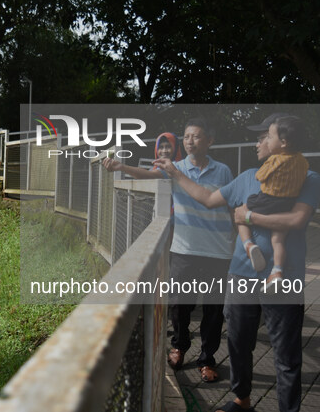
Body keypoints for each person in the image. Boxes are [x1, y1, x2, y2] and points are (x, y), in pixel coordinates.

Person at [154, 114, 320, 412]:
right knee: (239, 342)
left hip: (284, 277)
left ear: (283, 143)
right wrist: (177, 174)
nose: (258, 141)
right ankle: (242, 400)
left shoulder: (308, 177)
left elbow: (297, 220)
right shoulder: (248, 177)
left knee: (286, 354)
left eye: (263, 136)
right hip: (241, 273)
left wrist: (250, 217)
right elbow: (207, 198)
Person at [104, 119, 235, 383]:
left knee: (212, 310)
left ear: (209, 141)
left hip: (217, 252)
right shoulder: (174, 168)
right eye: (186, 136)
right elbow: (149, 174)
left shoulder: (223, 172)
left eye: (195, 137)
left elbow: (230, 205)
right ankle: (179, 346)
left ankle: (208, 359)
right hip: (184, 249)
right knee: (178, 304)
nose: (189, 141)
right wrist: (120, 166)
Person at [237, 116, 308, 293]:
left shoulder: (276, 159)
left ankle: (248, 245)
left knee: (242, 210)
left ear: (283, 142)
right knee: (278, 240)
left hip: (270, 199)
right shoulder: (302, 160)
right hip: (288, 203)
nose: (266, 141)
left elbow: (260, 176)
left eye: (269, 137)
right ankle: (277, 271)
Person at [102, 131, 183, 177]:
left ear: (175, 149)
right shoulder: (155, 168)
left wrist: (122, 167)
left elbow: (150, 175)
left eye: (168, 146)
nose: (164, 151)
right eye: (161, 147)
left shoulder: (177, 167)